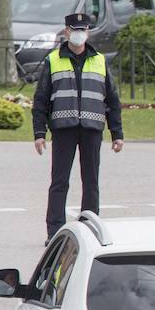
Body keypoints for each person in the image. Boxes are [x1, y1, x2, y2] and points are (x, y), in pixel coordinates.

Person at [32, 13, 124, 243]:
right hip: (64, 128)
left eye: (83, 29)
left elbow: (112, 99)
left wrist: (117, 134)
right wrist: (39, 133)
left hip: (92, 128)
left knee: (91, 181)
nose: (79, 33)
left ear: (88, 32)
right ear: (66, 31)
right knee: (59, 181)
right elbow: (41, 99)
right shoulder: (53, 60)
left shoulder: (100, 60)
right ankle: (54, 231)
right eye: (75, 29)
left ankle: (90, 230)